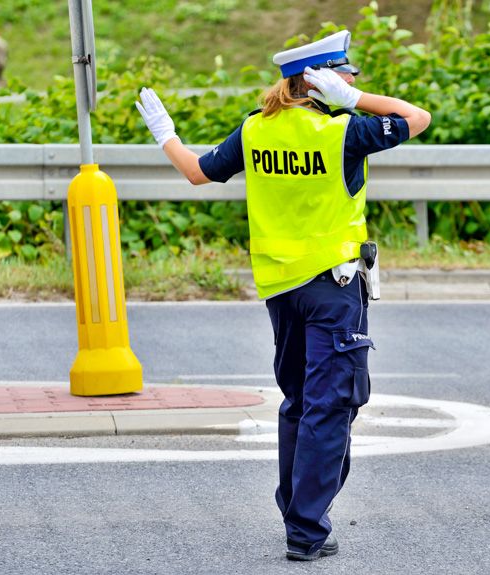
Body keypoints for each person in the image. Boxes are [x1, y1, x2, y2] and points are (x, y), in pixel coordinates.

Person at [136, 29, 430, 561]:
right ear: (318, 82)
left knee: (298, 403)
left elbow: (198, 173)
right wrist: (355, 103)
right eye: (344, 76)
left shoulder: (255, 131)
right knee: (331, 405)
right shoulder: (340, 131)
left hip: (280, 291)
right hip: (335, 290)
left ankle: (299, 514)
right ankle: (306, 529)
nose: (351, 83)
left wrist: (165, 133)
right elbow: (417, 118)